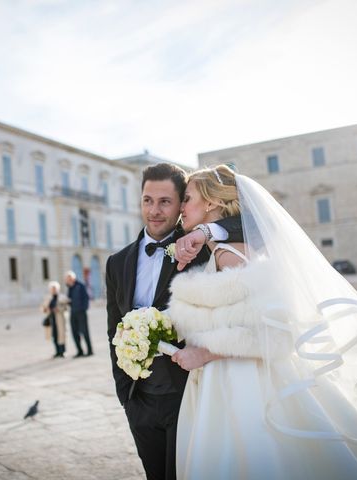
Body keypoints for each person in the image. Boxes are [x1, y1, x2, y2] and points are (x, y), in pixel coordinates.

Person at [167, 166, 357, 479]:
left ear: (212, 203)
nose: (180, 209)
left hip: (246, 382)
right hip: (230, 374)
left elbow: (271, 331)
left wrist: (203, 353)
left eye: (187, 199)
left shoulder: (230, 254)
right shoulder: (223, 249)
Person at [106, 163, 243, 480]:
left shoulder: (201, 246)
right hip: (139, 401)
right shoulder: (117, 263)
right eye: (147, 200)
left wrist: (204, 231)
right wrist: (126, 396)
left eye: (165, 201)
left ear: (182, 203)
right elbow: (114, 328)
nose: (154, 210)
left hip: (189, 397)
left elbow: (242, 221)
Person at [65, 271, 93, 358]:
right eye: (67, 279)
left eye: (69, 279)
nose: (68, 281)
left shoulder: (80, 286)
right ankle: (79, 351)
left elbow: (86, 298)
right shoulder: (70, 288)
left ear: (73, 278)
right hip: (73, 312)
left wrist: (84, 309)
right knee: (74, 332)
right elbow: (69, 299)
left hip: (81, 312)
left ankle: (90, 351)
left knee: (85, 332)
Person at [40, 281, 69, 358]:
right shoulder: (48, 298)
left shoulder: (62, 297)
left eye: (55, 288)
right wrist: (45, 309)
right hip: (52, 319)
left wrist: (59, 309)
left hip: (60, 319)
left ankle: (62, 351)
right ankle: (57, 351)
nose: (53, 290)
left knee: (62, 335)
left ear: (58, 289)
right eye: (52, 289)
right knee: (54, 336)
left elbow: (66, 307)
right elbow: (43, 307)